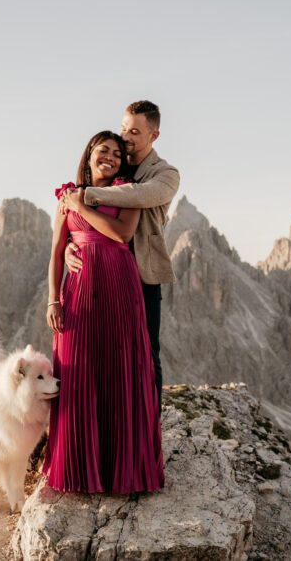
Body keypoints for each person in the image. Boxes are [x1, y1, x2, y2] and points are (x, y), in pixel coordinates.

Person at [43, 131, 164, 493]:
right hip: (79, 291)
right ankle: (79, 469)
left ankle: (122, 471)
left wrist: (81, 208)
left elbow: (122, 234)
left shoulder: (128, 192)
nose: (110, 157)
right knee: (78, 371)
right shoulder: (66, 194)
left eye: (116, 154)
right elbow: (56, 252)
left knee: (119, 370)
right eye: (103, 150)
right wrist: (53, 300)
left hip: (120, 288)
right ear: (90, 154)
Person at [60, 100, 179, 407]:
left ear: (154, 136)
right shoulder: (115, 163)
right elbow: (82, 219)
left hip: (142, 274)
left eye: (135, 132)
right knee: (106, 352)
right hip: (102, 274)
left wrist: (82, 197)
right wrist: (72, 242)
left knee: (146, 352)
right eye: (124, 128)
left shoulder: (165, 174)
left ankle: (150, 424)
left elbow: (138, 195)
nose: (126, 137)